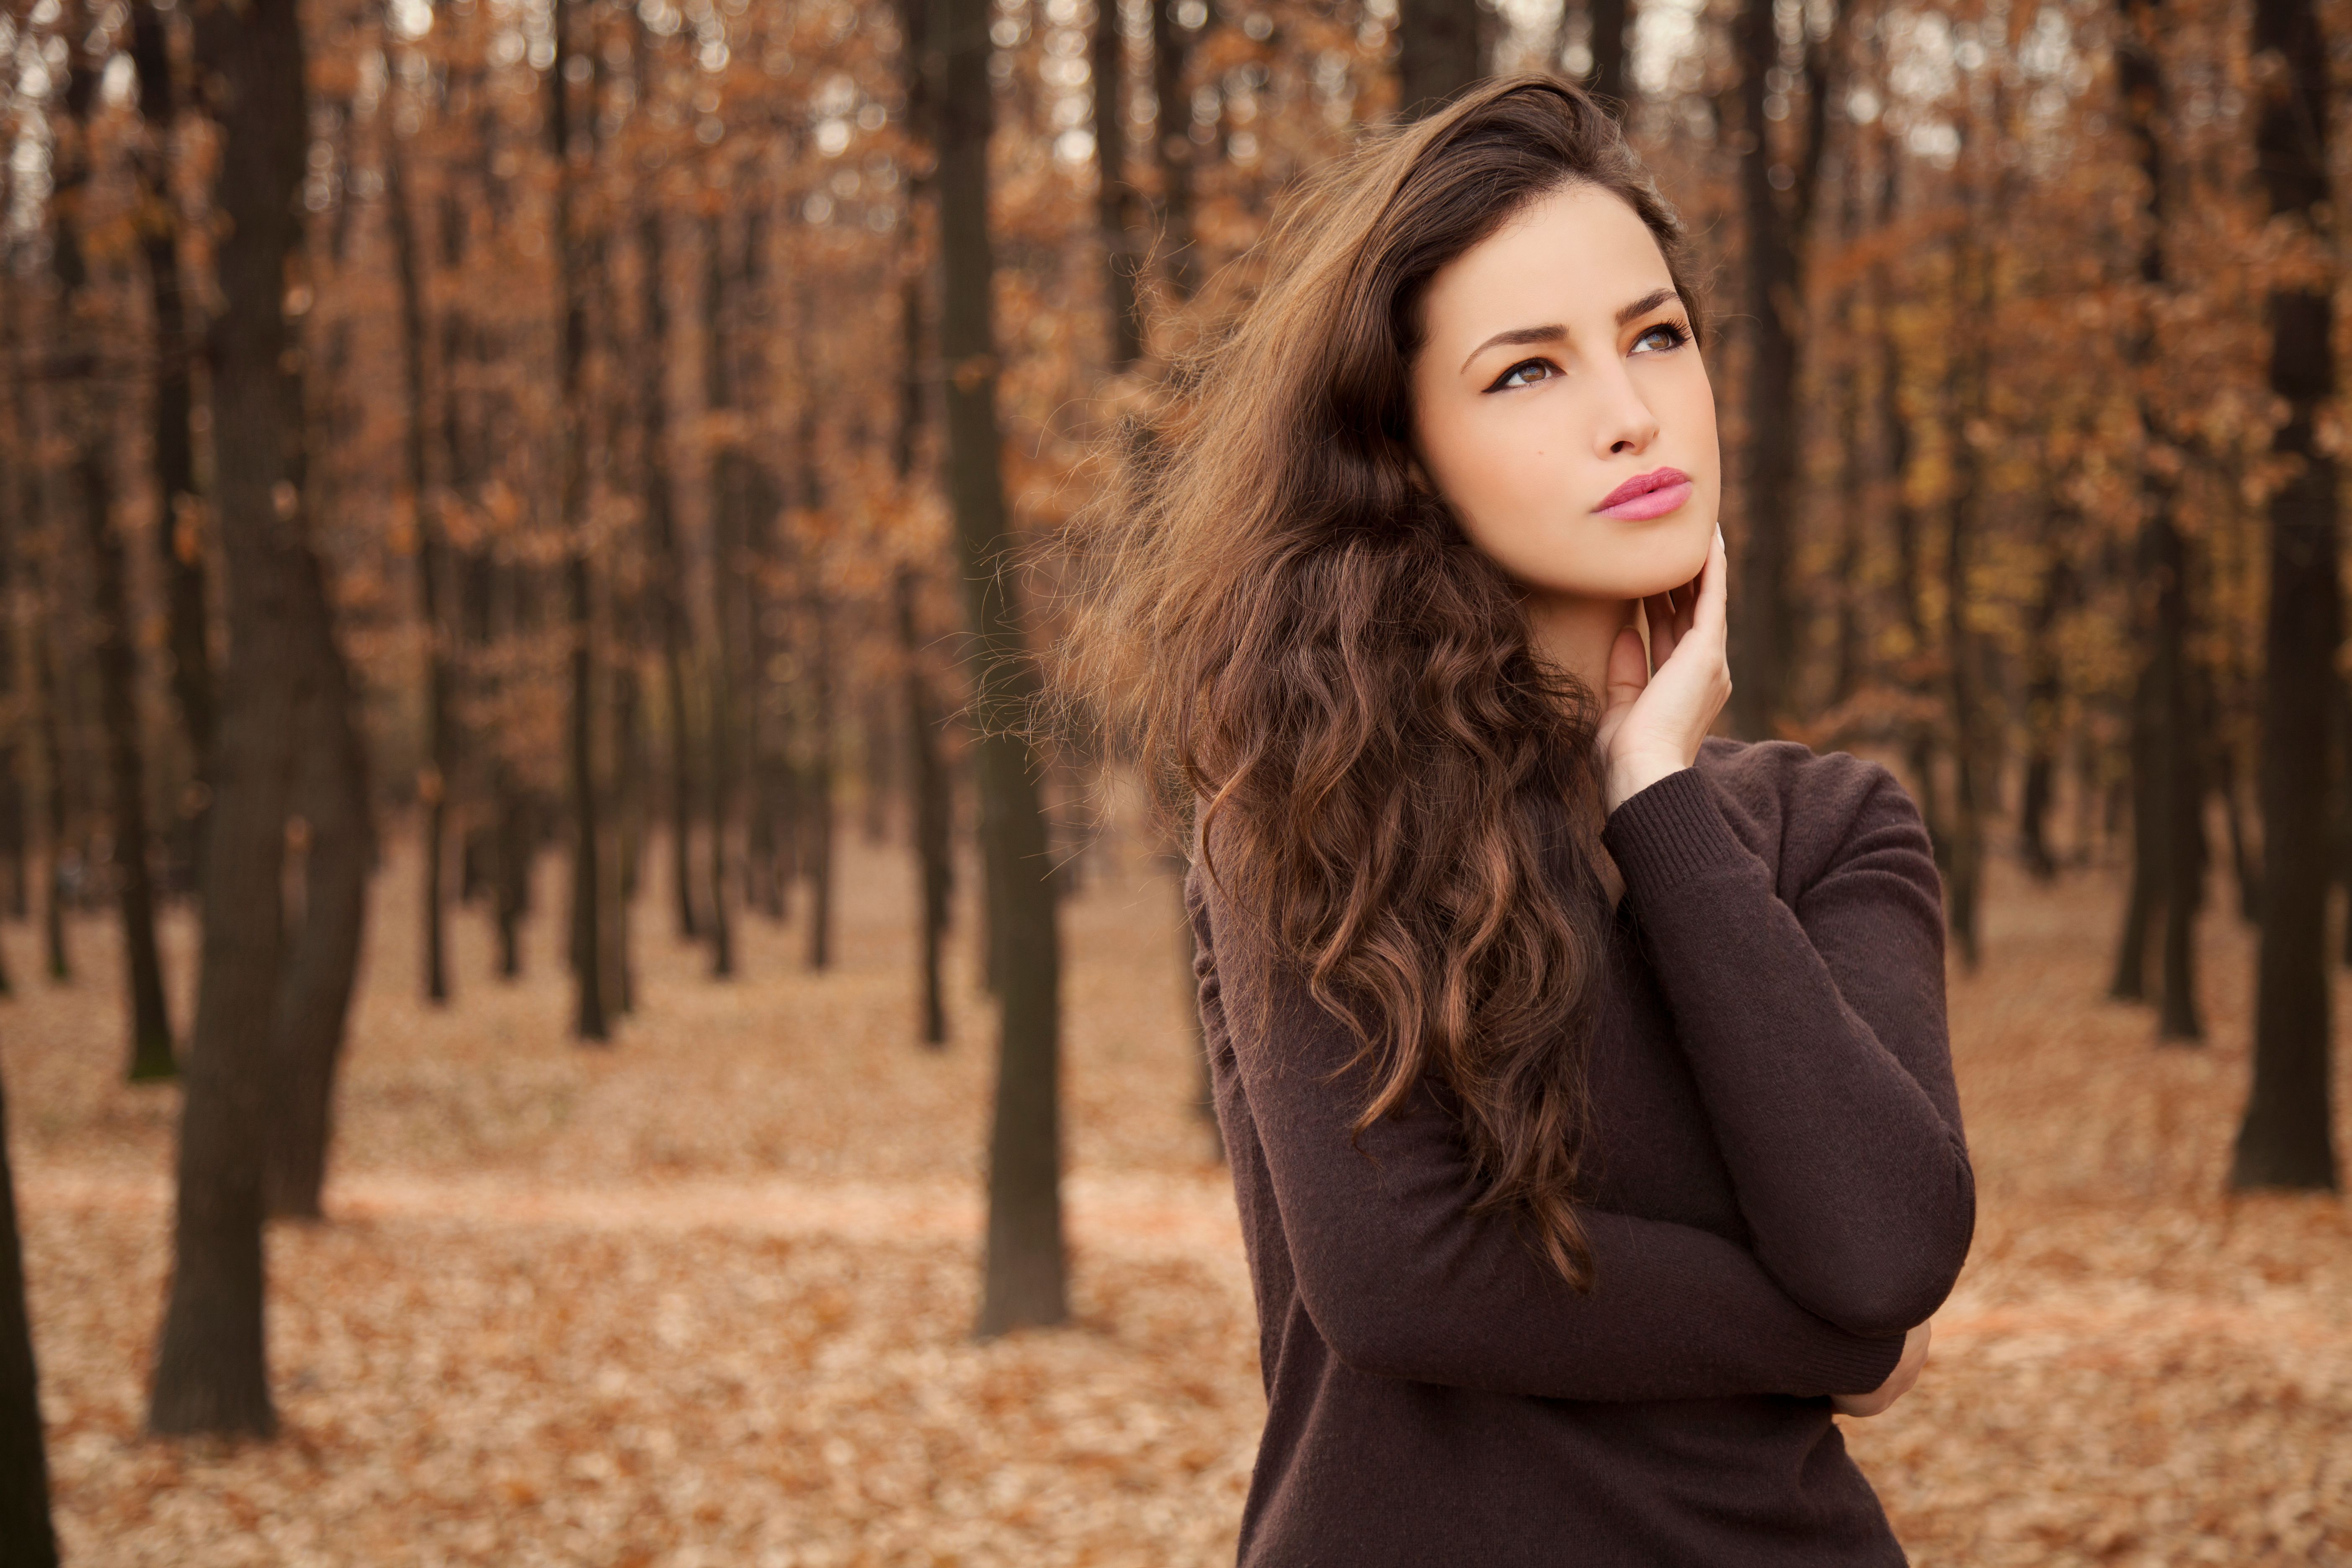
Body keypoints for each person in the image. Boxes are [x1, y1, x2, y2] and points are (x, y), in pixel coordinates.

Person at [1059, 74, 1973, 1565]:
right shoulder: (1307, 810)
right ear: (1405, 452)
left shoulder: (1831, 828)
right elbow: (1402, 1281)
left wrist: (1659, 798)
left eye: (1657, 337)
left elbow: (1885, 1244)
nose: (1631, 416)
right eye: (1526, 372)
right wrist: (1836, 1344)